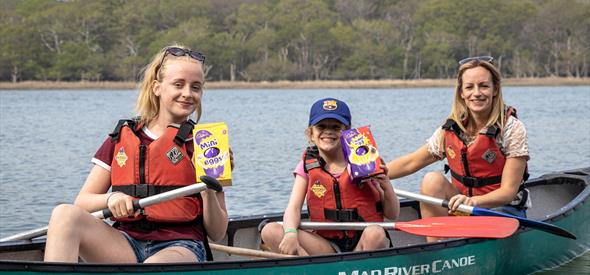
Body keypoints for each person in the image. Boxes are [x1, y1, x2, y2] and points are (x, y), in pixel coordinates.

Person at [44, 44, 228, 263]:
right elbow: (83, 202)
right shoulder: (122, 137)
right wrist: (112, 198)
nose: (187, 94)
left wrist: (207, 188)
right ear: (157, 87)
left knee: (151, 267)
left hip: (181, 245)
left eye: (195, 87)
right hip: (126, 241)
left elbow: (217, 232)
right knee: (64, 215)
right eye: (178, 84)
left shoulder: (208, 143)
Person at [386, 56, 530, 242]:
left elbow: (508, 192)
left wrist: (473, 202)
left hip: (501, 211)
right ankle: (437, 247)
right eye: (469, 87)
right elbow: (411, 162)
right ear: (461, 92)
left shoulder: (512, 128)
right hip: (463, 208)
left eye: (484, 86)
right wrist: (376, 174)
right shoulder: (452, 128)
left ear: (495, 90)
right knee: (432, 180)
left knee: (494, 210)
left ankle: (459, 241)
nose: (476, 93)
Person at [261, 98, 399, 255]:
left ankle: (355, 267)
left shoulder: (363, 160)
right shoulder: (307, 166)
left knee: (375, 232)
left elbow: (392, 214)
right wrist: (290, 232)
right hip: (326, 244)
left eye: (336, 127)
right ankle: (312, 269)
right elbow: (293, 207)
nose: (328, 131)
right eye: (321, 126)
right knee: (270, 230)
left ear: (347, 132)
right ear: (311, 134)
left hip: (363, 241)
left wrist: (386, 185)